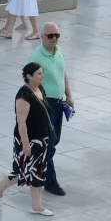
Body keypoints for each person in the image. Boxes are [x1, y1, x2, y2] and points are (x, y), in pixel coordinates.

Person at [0, 62, 55, 216]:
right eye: (39, 73)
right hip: (28, 140)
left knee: (38, 172)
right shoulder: (23, 96)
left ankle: (36, 206)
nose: (42, 76)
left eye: (42, 73)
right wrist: (26, 144)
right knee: (23, 171)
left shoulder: (40, 89)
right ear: (29, 76)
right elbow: (21, 122)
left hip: (42, 139)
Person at [28, 23, 72, 197]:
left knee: (54, 141)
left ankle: (40, 171)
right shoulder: (36, 57)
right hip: (45, 104)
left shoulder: (59, 51)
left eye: (57, 35)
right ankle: (49, 180)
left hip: (58, 103)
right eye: (50, 35)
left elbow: (63, 73)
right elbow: (31, 83)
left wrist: (69, 95)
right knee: (49, 144)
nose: (54, 38)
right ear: (42, 36)